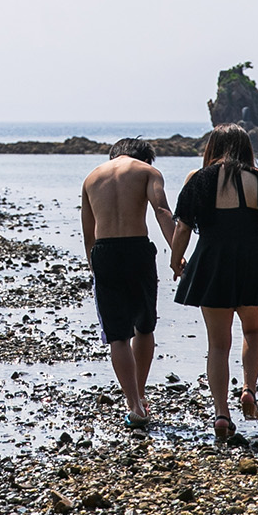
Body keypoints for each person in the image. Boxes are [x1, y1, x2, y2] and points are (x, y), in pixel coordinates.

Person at [169, 125, 258, 440]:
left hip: (211, 263)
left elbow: (183, 228)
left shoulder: (197, 179)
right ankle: (249, 389)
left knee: (218, 344)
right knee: (253, 331)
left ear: (212, 147)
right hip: (253, 261)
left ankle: (222, 414)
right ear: (246, 148)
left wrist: (175, 260)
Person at [79, 138, 179, 429]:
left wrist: (94, 264)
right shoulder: (147, 172)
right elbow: (162, 212)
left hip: (105, 251)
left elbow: (89, 232)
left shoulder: (92, 177)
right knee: (145, 326)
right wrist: (178, 254)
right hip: (137, 250)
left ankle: (133, 402)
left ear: (114, 155)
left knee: (117, 335)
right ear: (146, 157)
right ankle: (142, 394)